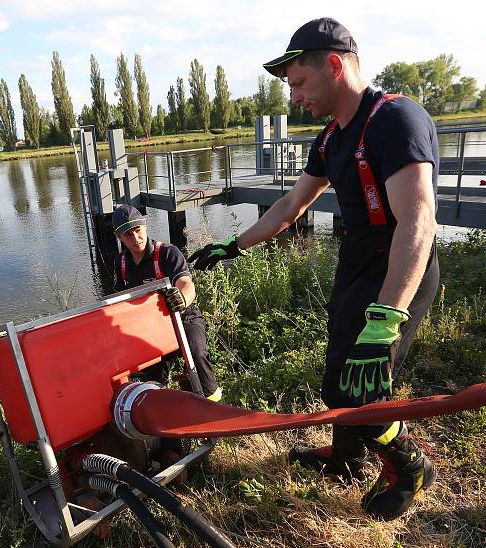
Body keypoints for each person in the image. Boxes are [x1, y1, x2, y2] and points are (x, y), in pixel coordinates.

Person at [188, 17, 440, 521]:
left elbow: (419, 221)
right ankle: (346, 461)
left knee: (360, 386)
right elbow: (290, 207)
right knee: (337, 377)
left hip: (397, 270)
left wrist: (386, 317)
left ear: (334, 64)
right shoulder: (329, 138)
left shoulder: (394, 120)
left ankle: (411, 466)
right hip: (356, 262)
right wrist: (232, 247)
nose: (295, 97)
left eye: (299, 83)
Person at [111, 204, 222, 402]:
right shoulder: (121, 263)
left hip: (183, 318)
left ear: (144, 226)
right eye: (128, 235)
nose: (136, 239)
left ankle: (216, 410)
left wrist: (182, 298)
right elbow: (118, 302)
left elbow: (187, 284)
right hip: (151, 327)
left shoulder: (167, 253)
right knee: (152, 378)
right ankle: (166, 419)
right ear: (118, 237)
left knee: (195, 354)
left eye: (138, 231)